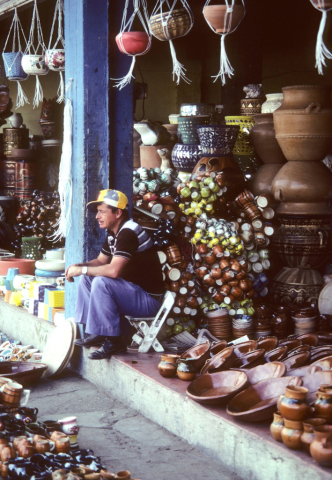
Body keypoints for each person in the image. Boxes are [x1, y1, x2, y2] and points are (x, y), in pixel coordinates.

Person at [66, 189, 165, 360]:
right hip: (133, 293)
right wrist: (79, 266)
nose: (97, 216)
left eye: (102, 211)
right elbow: (100, 261)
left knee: (101, 282)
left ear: (118, 213)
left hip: (149, 300)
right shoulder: (114, 232)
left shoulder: (128, 232)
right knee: (88, 278)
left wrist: (82, 269)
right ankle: (97, 331)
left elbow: (113, 271)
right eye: (97, 212)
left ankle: (114, 341)